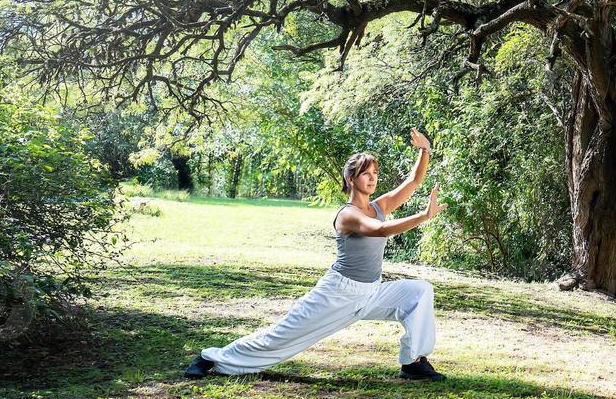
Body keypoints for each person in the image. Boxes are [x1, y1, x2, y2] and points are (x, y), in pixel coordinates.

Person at [183, 129, 449, 381]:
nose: (372, 178)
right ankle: (212, 358)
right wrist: (424, 216)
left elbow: (414, 181)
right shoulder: (348, 215)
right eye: (366, 173)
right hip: (337, 294)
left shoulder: (379, 206)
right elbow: (379, 231)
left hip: (371, 292)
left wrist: (424, 150)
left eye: (375, 173)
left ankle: (414, 364)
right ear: (351, 179)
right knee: (281, 337)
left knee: (419, 291)